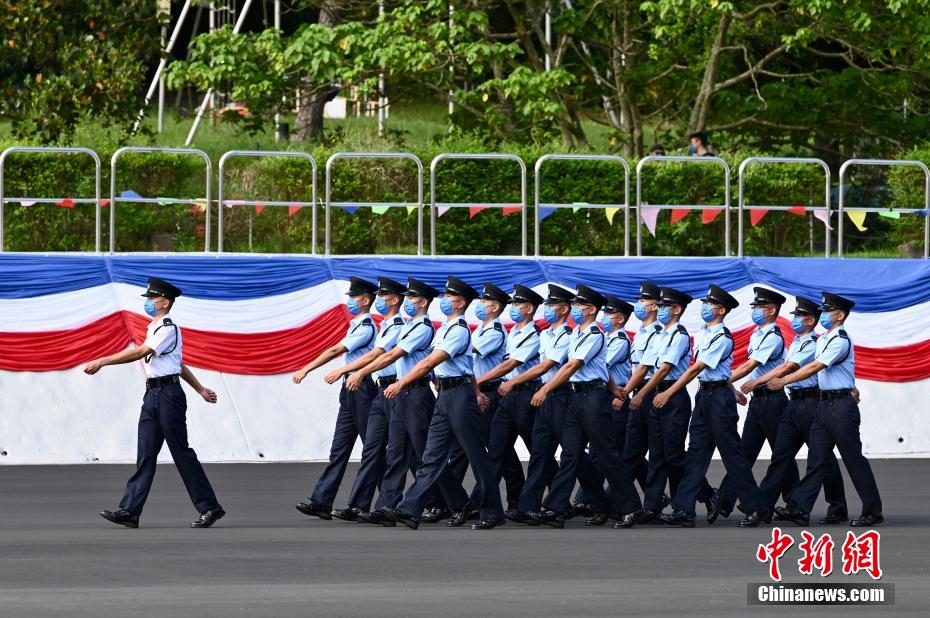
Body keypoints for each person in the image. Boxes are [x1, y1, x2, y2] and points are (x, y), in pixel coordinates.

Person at [90, 277, 224, 529]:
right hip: (153, 395)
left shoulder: (167, 328)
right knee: (146, 454)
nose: (149, 302)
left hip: (168, 395)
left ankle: (210, 507)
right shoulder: (155, 328)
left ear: (165, 302)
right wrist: (200, 389)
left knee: (181, 453)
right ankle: (130, 510)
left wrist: (103, 361)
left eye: (152, 299)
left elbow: (141, 352)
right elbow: (177, 364)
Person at [383, 276, 505, 531]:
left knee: (475, 456)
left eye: (449, 298)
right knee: (432, 456)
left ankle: (493, 511)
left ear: (460, 303)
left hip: (459, 397)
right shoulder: (446, 328)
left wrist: (401, 382)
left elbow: (430, 363)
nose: (445, 302)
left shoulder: (459, 329)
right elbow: (467, 368)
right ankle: (410, 509)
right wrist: (478, 392)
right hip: (447, 396)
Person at [529, 285, 643, 529]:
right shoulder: (578, 334)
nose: (576, 309)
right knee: (570, 454)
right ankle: (557, 508)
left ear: (592, 310)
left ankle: (630, 507)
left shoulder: (593, 334)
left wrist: (544, 389)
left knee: (606, 454)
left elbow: (572, 366)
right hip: (577, 398)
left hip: (592, 399)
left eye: (580, 305)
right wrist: (614, 388)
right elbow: (601, 367)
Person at [655, 284, 769, 527]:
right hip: (706, 396)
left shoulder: (722, 337)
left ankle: (755, 506)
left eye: (710, 304)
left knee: (731, 454)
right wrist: (733, 388)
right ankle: (683, 510)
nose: (705, 307)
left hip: (717, 401)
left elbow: (698, 369)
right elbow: (718, 371)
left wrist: (669, 392)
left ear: (721, 310)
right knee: (696, 453)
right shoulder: (705, 333)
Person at [771, 292, 883, 527]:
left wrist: (784, 381)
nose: (822, 315)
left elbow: (815, 366)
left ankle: (872, 510)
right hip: (824, 404)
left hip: (841, 407)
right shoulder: (822, 339)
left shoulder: (840, 339)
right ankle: (800, 509)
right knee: (817, 459)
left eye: (827, 312)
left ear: (840, 315)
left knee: (853, 460)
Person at [352, 278, 457, 525]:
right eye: (407, 298)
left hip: (416, 394)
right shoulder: (408, 326)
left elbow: (394, 355)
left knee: (426, 455)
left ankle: (454, 502)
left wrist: (362, 372)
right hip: (401, 393)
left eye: (412, 299)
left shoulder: (422, 327)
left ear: (424, 302)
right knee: (396, 453)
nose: (407, 302)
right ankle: (386, 507)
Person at [741, 296, 848, 523]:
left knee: (822, 459)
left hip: (811, 403)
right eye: (796, 316)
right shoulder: (797, 342)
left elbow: (791, 367)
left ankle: (837, 507)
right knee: (781, 456)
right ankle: (764, 507)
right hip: (794, 403)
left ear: (811, 321)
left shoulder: (813, 342)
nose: (796, 320)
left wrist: (768, 382)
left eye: (801, 316)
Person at [318, 276, 407, 522]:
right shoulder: (382, 326)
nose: (379, 301)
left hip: (393, 389)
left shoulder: (389, 326)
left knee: (410, 453)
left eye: (383, 296)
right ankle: (360, 505)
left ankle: (436, 502)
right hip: (379, 387)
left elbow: (380, 356)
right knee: (372, 448)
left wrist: (349, 371)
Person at [628, 286, 717, 522]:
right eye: (660, 305)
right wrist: (630, 391)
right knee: (657, 455)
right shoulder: (659, 335)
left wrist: (640, 394)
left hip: (672, 395)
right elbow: (645, 366)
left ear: (677, 310)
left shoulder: (679, 335)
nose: (661, 309)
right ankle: (652, 506)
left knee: (674, 456)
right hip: (658, 393)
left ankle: (705, 495)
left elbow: (665, 368)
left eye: (666, 306)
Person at [293, 276, 378, 520]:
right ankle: (321, 500)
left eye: (354, 297)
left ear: (364, 300)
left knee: (372, 449)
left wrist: (306, 368)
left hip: (361, 387)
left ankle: (381, 504)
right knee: (339, 449)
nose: (350, 301)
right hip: (349, 389)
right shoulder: (356, 325)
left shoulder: (366, 326)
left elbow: (335, 351)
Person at [440, 282, 525, 523]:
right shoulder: (478, 329)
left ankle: (510, 501)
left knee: (496, 451)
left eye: (485, 303)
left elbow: (466, 355)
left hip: (489, 393)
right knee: (478, 450)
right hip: (476, 392)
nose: (480, 306)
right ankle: (461, 503)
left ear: (495, 307)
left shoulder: (494, 331)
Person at [718, 287, 798, 518]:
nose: (755, 311)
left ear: (772, 311)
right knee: (744, 453)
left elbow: (751, 366)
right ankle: (724, 500)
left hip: (773, 401)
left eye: (760, 308)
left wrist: (724, 382)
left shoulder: (773, 336)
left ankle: (793, 502)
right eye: (754, 307)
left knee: (781, 454)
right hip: (758, 401)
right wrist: (733, 387)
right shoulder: (757, 334)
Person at [505, 284, 575, 524]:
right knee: (540, 453)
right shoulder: (545, 334)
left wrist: (520, 382)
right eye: (547, 305)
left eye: (552, 305)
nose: (547, 309)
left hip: (562, 396)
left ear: (565, 310)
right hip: (545, 396)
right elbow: (540, 367)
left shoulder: (568, 335)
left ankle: (594, 501)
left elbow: (548, 367)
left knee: (574, 455)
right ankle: (529, 506)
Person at [475, 284, 547, 520]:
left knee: (538, 452)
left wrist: (474, 382)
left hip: (525, 394)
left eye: (518, 305)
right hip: (508, 394)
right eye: (513, 304)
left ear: (530, 309)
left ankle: (553, 500)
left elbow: (510, 365)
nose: (513, 308)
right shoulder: (514, 332)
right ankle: (486, 505)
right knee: (497, 450)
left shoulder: (534, 335)